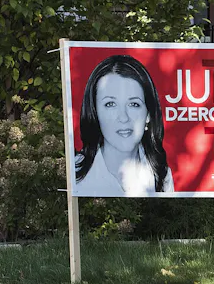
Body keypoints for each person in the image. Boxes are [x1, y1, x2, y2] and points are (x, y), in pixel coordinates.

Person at [74, 55, 173, 196]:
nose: (123, 117)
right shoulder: (74, 173)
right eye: (110, 104)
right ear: (95, 112)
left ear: (148, 114)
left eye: (134, 104)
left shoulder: (161, 174)